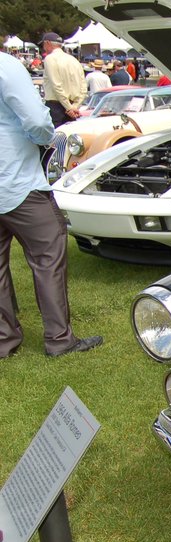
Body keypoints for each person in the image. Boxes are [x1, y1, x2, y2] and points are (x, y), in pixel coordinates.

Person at [0, 52, 103, 359]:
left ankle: (4, 339)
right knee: (48, 256)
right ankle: (59, 339)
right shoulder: (6, 65)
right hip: (17, 181)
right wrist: (43, 137)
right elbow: (36, 120)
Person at [39, 32, 86, 127]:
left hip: (56, 107)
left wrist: (68, 108)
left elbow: (56, 85)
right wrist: (75, 106)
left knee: (56, 139)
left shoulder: (50, 59)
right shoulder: (74, 60)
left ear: (47, 43)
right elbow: (83, 87)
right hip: (73, 106)